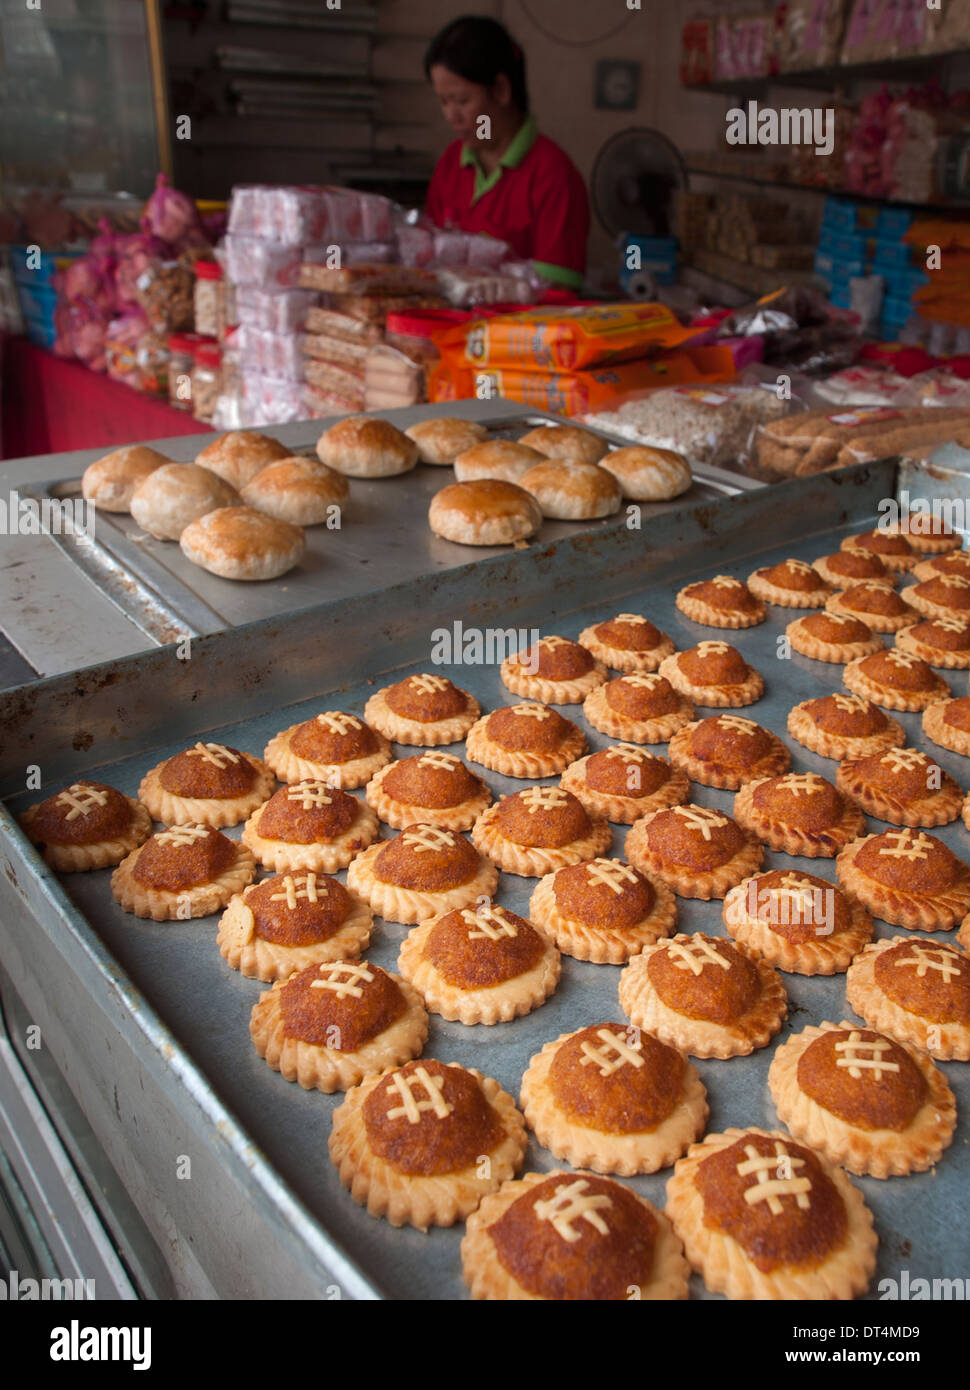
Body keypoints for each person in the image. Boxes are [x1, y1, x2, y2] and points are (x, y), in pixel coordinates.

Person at [424, 15, 590, 290]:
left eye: (462, 100)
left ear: (501, 90)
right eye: (444, 101)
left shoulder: (553, 176)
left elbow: (558, 291)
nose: (452, 116)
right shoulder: (451, 163)